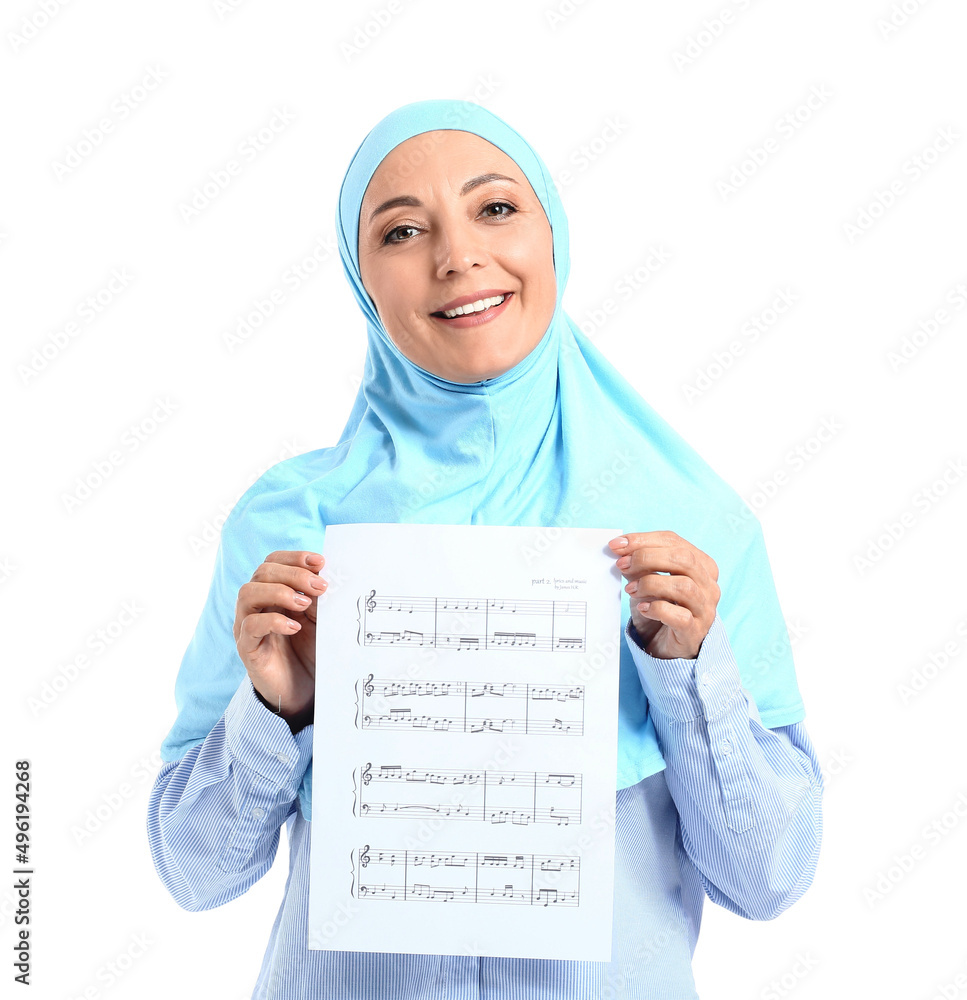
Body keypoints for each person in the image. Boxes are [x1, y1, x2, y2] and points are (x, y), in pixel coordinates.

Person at [148, 99, 822, 999]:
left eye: (495, 208)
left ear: (553, 238)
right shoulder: (291, 528)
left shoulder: (690, 528)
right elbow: (195, 876)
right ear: (362, 281)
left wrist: (690, 670)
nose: (457, 254)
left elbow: (767, 880)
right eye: (401, 230)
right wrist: (281, 712)